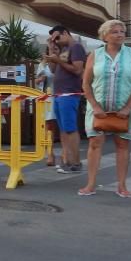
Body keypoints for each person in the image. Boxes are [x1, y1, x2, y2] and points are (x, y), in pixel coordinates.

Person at [78, 19, 131, 198]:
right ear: (105, 35)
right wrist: (94, 105)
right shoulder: (95, 54)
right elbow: (86, 82)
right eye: (115, 31)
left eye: (122, 31)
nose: (120, 34)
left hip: (125, 108)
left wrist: (128, 107)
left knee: (122, 144)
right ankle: (90, 184)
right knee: (95, 143)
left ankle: (122, 186)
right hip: (98, 107)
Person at [42, 25, 87, 174]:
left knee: (70, 128)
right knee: (63, 130)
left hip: (69, 94)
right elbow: (54, 69)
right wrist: (51, 49)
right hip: (60, 94)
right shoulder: (64, 50)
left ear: (66, 33)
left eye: (57, 37)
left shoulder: (76, 48)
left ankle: (76, 162)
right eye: (53, 38)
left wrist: (59, 61)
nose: (56, 40)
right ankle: (67, 160)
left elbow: (78, 70)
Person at [35, 64, 62, 167]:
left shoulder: (62, 62)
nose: (53, 51)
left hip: (62, 95)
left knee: (62, 125)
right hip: (49, 97)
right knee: (49, 124)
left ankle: (66, 154)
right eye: (51, 48)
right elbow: (37, 81)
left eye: (55, 48)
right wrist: (40, 79)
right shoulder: (43, 65)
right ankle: (50, 153)